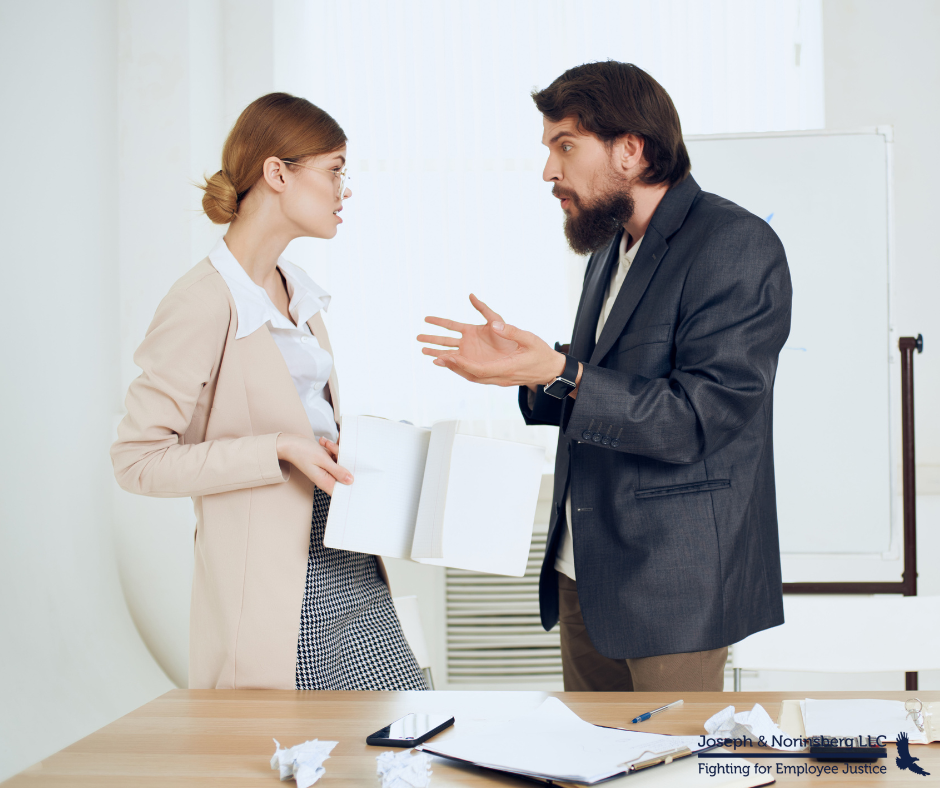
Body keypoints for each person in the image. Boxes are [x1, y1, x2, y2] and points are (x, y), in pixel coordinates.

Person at [418, 62, 791, 692]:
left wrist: (562, 371)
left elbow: (697, 417)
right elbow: (613, 374)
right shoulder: (609, 250)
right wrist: (530, 371)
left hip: (674, 589)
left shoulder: (736, 245)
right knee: (590, 767)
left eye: (565, 146)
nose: (548, 172)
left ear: (631, 150)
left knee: (673, 773)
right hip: (582, 570)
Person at [112, 93, 426, 692]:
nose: (346, 189)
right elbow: (137, 461)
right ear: (277, 173)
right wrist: (277, 448)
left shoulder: (299, 295)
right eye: (334, 170)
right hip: (276, 589)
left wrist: (354, 440)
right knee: (299, 761)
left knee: (406, 734)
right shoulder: (202, 301)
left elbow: (300, 417)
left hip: (348, 558)